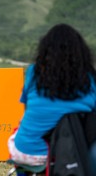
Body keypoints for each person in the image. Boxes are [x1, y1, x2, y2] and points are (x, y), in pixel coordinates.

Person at [8, 23, 96, 166]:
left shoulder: (34, 72)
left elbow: (27, 108)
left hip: (29, 152)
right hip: (74, 155)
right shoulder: (89, 78)